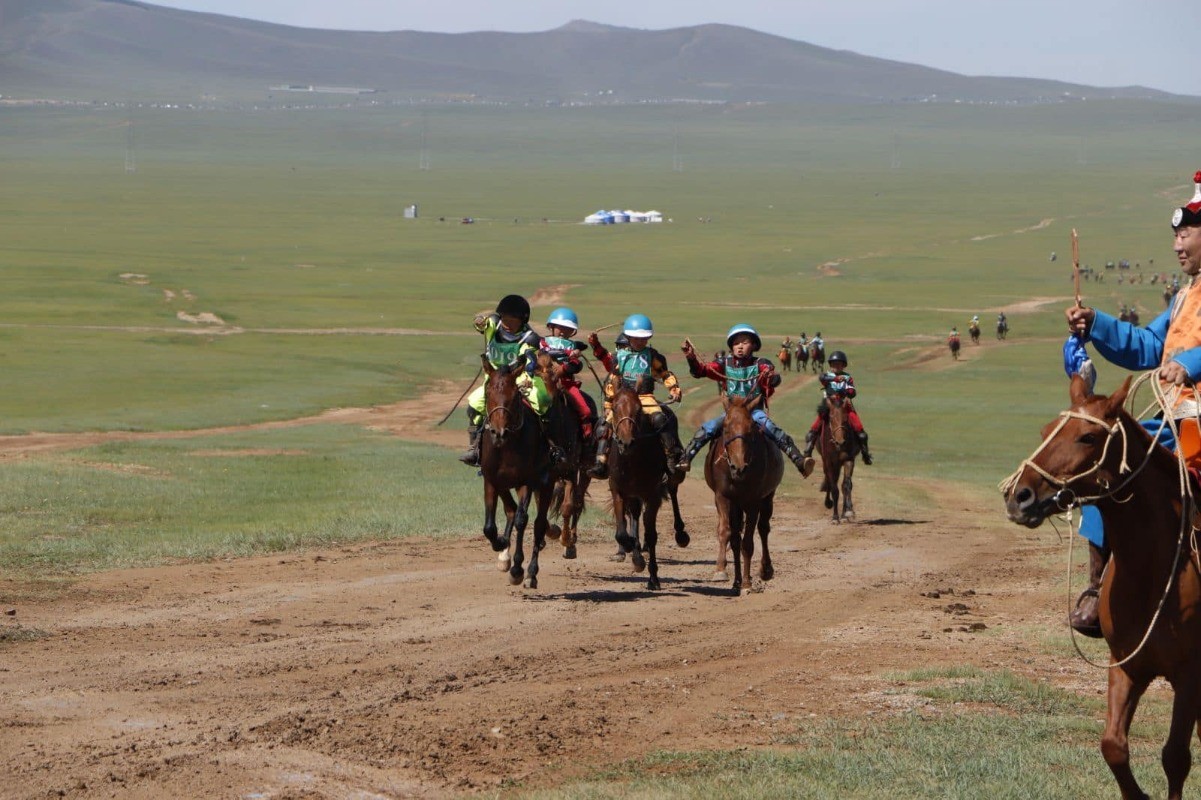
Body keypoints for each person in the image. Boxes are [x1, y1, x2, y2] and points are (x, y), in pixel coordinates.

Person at [1062, 168, 1201, 637]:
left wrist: (1193, 364)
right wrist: (1095, 323)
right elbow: (1144, 347)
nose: (1177, 244)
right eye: (1176, 235)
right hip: (1172, 418)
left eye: (1186, 233)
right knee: (1106, 462)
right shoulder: (1184, 297)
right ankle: (1099, 586)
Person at [676, 324, 812, 476]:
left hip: (754, 412)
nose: (740, 346)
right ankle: (686, 458)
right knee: (708, 428)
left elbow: (773, 377)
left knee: (772, 429)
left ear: (753, 345)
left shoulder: (761, 363)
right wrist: (691, 358)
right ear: (731, 347)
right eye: (736, 343)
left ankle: (799, 460)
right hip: (731, 414)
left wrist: (771, 376)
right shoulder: (724, 363)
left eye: (745, 342)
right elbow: (700, 371)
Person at [587, 314, 685, 479]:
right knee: (604, 425)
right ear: (628, 337)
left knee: (660, 419)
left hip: (645, 396)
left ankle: (671, 456)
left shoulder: (653, 355)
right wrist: (609, 405)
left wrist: (674, 389)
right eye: (636, 338)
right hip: (623, 398)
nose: (641, 341)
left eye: (644, 338)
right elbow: (611, 375)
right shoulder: (619, 357)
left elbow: (665, 374)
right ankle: (600, 461)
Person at [459, 294, 547, 466]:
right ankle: (475, 448)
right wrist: (479, 321)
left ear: (522, 321)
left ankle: (549, 446)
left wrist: (527, 378)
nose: (508, 325)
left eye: (513, 321)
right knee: (474, 405)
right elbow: (483, 324)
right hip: (494, 379)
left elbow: (530, 360)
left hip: (519, 379)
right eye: (505, 319)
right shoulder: (494, 324)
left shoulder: (529, 338)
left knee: (542, 401)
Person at [799, 350, 873, 472]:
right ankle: (808, 450)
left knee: (860, 429)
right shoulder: (827, 376)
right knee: (815, 426)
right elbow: (822, 378)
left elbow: (852, 392)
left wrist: (847, 391)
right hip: (829, 404)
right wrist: (838, 379)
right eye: (834, 364)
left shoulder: (848, 378)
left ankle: (865, 454)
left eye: (839, 364)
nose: (836, 366)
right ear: (830, 365)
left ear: (843, 365)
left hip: (844, 405)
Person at [537, 307, 595, 440]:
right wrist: (567, 353)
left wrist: (564, 368)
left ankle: (586, 440)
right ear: (551, 327)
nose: (563, 331)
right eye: (559, 327)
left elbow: (576, 365)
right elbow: (542, 354)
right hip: (543, 383)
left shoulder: (574, 347)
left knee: (585, 411)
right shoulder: (542, 343)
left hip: (567, 384)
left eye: (568, 328)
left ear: (573, 331)